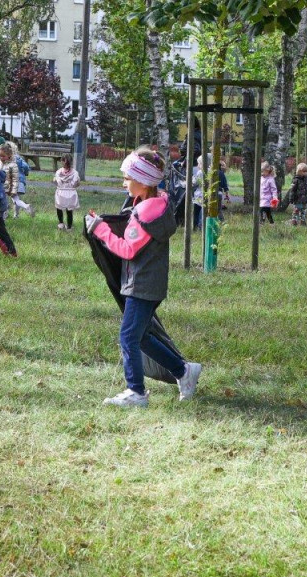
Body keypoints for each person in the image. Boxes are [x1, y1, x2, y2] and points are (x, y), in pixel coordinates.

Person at [85, 148, 201, 408]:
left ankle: (136, 392)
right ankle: (184, 371)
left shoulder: (144, 214)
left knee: (128, 337)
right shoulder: (159, 203)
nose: (124, 182)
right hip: (152, 283)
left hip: (141, 285)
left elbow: (127, 249)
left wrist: (100, 230)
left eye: (127, 177)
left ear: (142, 180)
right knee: (142, 336)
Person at [53, 154, 80, 231]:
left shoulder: (58, 172)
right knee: (69, 211)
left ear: (62, 161)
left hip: (61, 192)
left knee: (59, 208)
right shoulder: (75, 173)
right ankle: (69, 227)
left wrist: (54, 180)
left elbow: (56, 182)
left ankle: (61, 224)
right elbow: (76, 184)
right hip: (71, 194)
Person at [9, 142, 35, 217]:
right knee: (16, 198)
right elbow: (26, 166)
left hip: (12, 182)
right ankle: (16, 215)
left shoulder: (8, 158)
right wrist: (26, 173)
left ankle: (26, 206)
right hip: (21, 182)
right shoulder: (19, 158)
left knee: (16, 199)